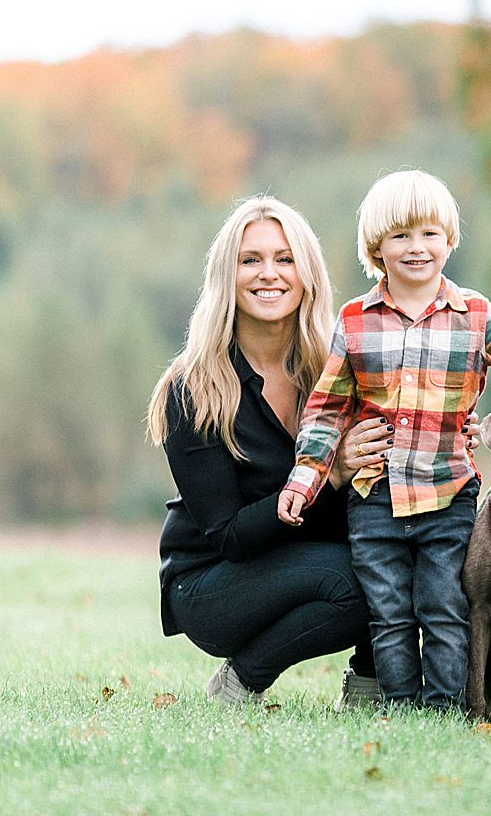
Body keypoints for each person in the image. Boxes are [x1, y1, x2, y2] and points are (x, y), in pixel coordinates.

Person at [277, 169, 491, 710]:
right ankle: (401, 706)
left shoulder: (475, 314)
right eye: (400, 236)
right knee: (390, 612)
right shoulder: (354, 320)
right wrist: (304, 479)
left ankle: (448, 707)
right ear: (376, 247)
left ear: (449, 239)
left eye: (429, 234)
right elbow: (326, 409)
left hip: (449, 495)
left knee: (445, 606)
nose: (416, 248)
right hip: (376, 497)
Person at [147, 196, 399, 708]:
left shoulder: (338, 371)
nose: (270, 274)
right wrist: (331, 474)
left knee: (395, 557)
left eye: (285, 259)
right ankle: (239, 682)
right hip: (212, 584)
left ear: (307, 274)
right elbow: (231, 537)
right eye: (251, 260)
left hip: (305, 562)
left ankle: (371, 687)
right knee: (356, 579)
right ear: (227, 275)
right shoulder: (193, 389)